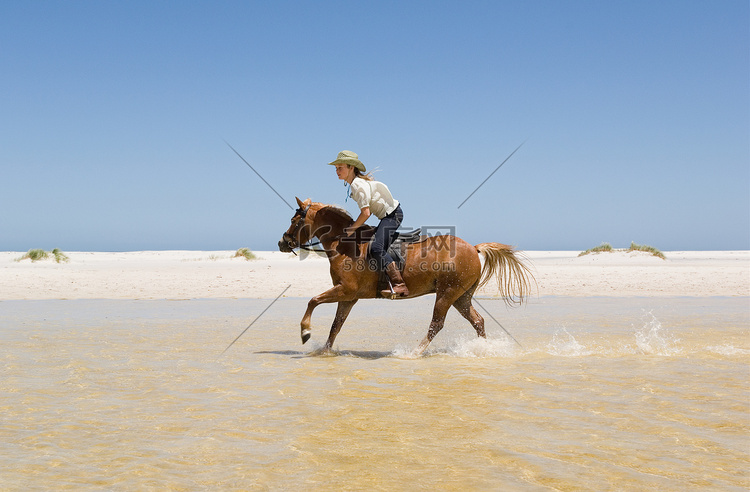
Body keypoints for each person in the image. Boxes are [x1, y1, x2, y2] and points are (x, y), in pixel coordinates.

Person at [329, 150, 409, 297]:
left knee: (377, 248)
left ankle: (399, 284)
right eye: (336, 168)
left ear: (351, 167)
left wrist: (351, 229)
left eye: (340, 168)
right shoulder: (355, 184)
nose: (337, 171)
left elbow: (366, 213)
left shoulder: (357, 185)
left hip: (392, 216)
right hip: (387, 216)